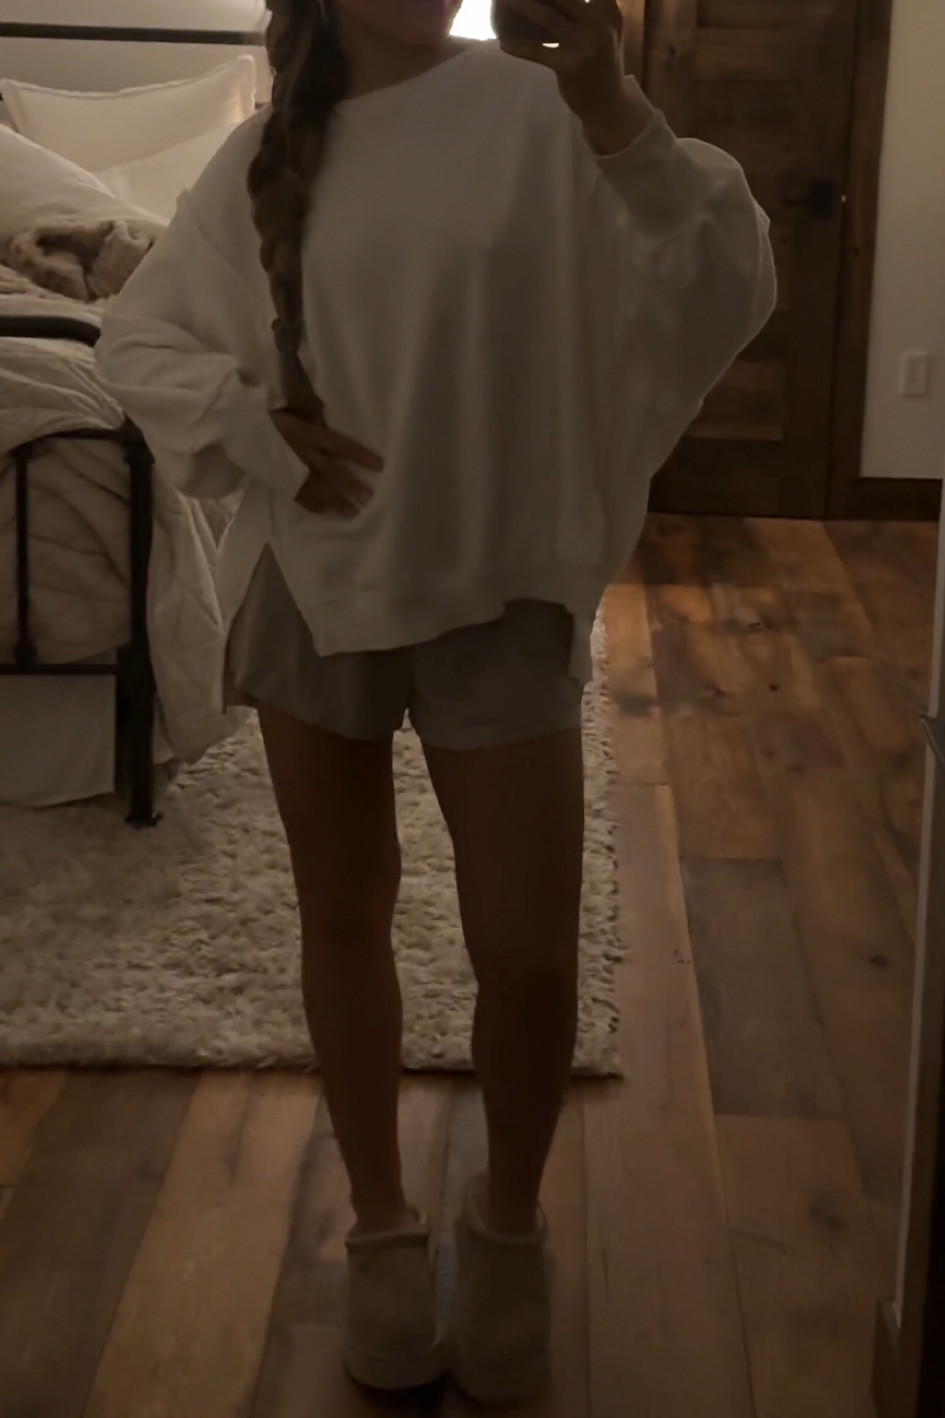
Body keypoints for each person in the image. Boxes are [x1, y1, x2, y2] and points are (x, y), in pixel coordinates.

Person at [95, 0, 776, 1403]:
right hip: (320, 587)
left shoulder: (545, 111)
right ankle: (381, 1226)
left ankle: (509, 1225)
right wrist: (256, 435)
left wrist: (610, 104)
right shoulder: (263, 159)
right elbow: (141, 338)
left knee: (528, 955)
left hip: (503, 575)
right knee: (343, 915)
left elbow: (721, 271)